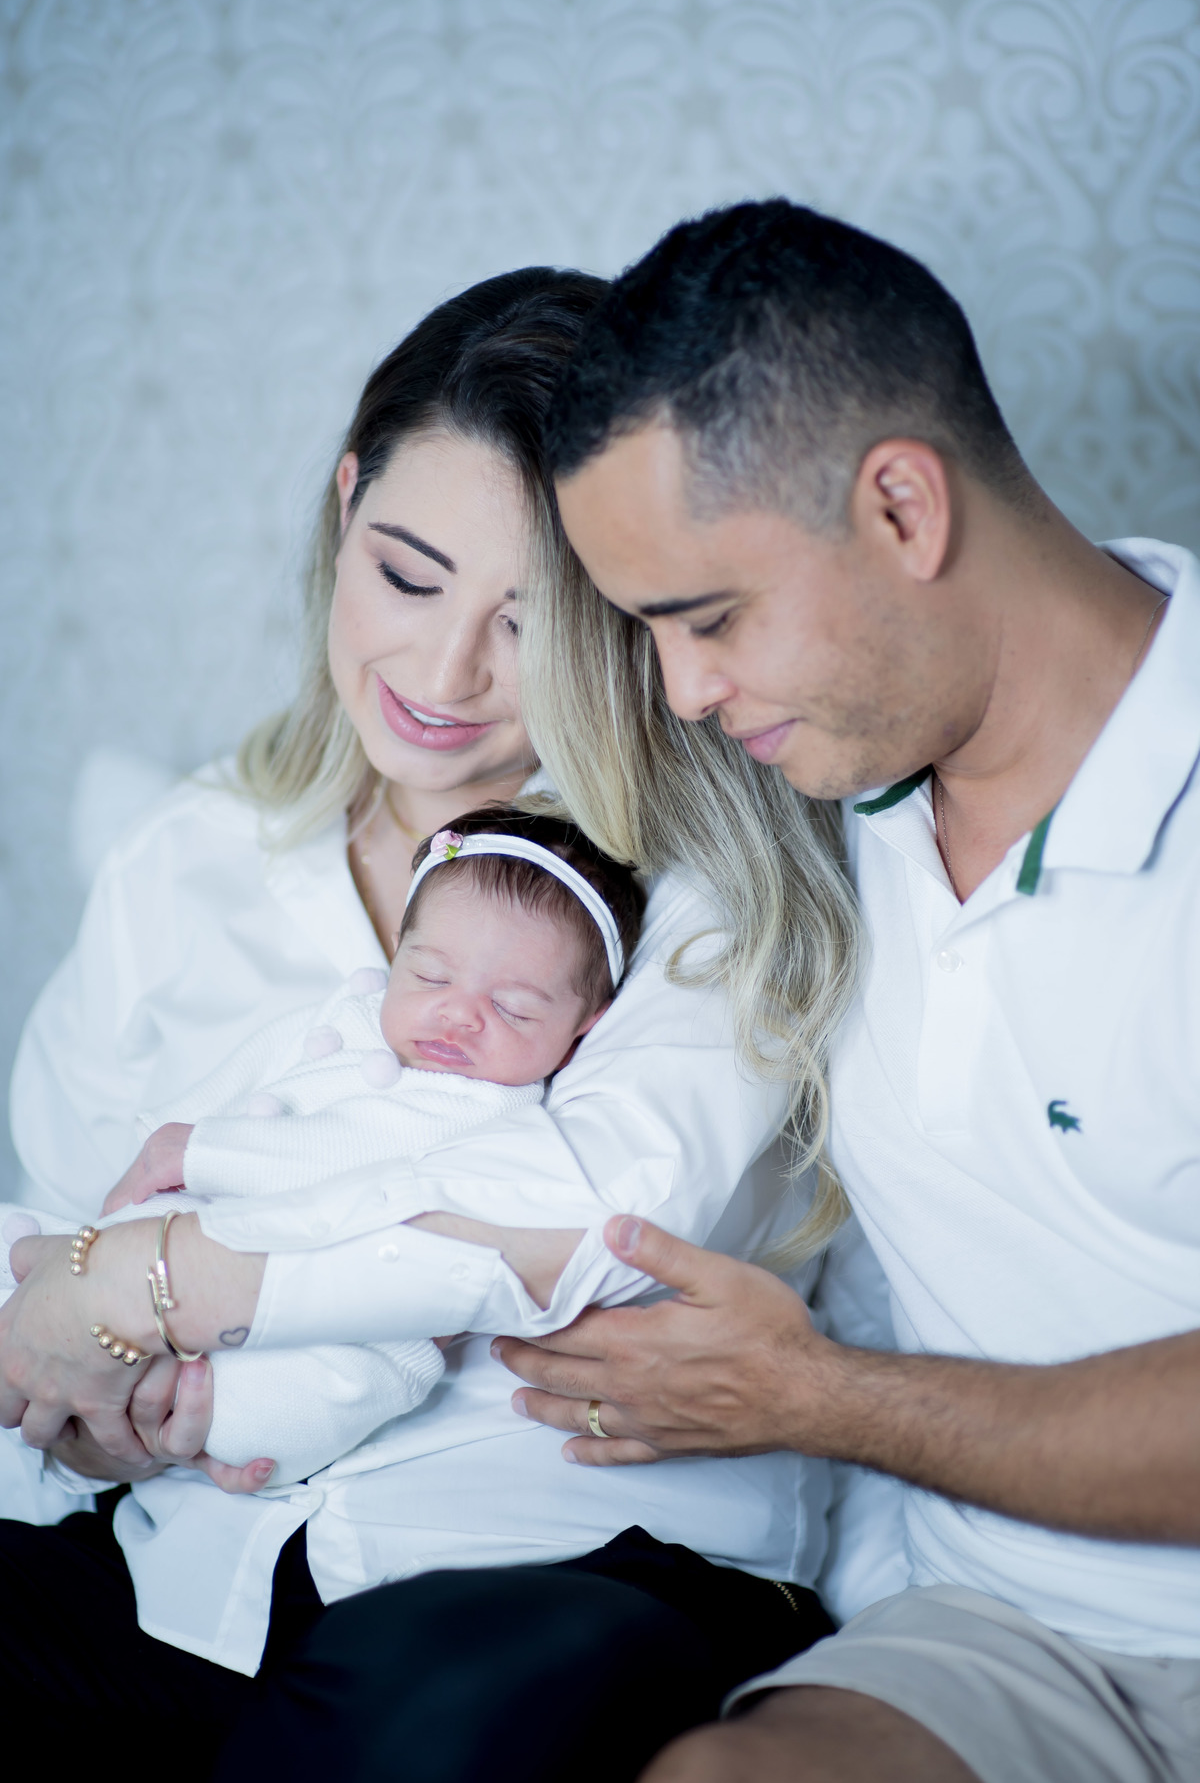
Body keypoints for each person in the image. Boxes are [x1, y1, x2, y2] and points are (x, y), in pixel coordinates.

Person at [0, 266, 899, 1779]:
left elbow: (586, 1210)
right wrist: (82, 1395)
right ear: (346, 503)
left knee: (423, 1726)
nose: (439, 675)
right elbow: (60, 1245)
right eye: (408, 577)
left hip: (564, 1554)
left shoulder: (701, 890)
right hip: (191, 1561)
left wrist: (153, 1281)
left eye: (528, 624)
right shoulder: (192, 858)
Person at [494, 199, 1200, 1783]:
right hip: (1006, 1636)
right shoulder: (816, 797)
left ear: (901, 506)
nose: (685, 691)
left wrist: (814, 1395)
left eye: (710, 618)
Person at [0, 806, 644, 1488]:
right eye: (430, 975)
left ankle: (178, 1439)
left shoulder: (491, 1111)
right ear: (399, 949)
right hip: (188, 1241)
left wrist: (203, 1153)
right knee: (27, 1257)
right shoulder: (351, 1010)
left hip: (333, 1340)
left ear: (586, 1025)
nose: (459, 1013)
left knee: (281, 1403)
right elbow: (255, 1066)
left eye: (514, 1008)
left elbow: (347, 1163)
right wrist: (168, 1138)